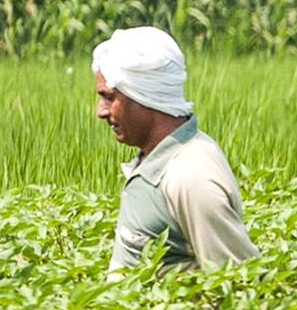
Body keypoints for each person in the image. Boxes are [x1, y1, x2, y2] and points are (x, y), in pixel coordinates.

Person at [92, 26, 258, 278]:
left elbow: (238, 283)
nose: (100, 111)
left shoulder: (191, 175)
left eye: (109, 98)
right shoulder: (156, 158)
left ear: (144, 96)